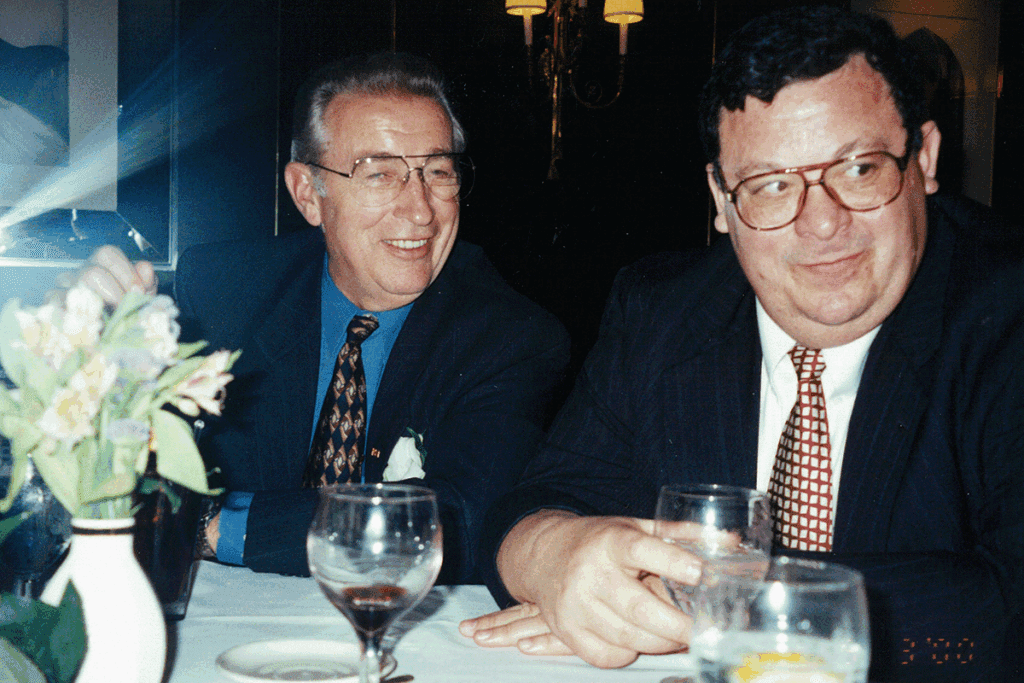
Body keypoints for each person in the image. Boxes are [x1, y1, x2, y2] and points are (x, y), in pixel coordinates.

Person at [459, 7, 1024, 681]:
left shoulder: (1006, 314)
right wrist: (554, 556)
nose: (821, 224)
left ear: (924, 159)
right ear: (722, 202)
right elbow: (544, 497)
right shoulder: (662, 309)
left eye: (860, 169)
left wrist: (723, 604)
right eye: (771, 185)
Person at [79, 53, 571, 584]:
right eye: (380, 174)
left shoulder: (511, 337)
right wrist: (80, 346)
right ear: (308, 194)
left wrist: (210, 526)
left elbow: (458, 521)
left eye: (438, 172)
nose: (421, 210)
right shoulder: (224, 294)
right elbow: (113, 463)